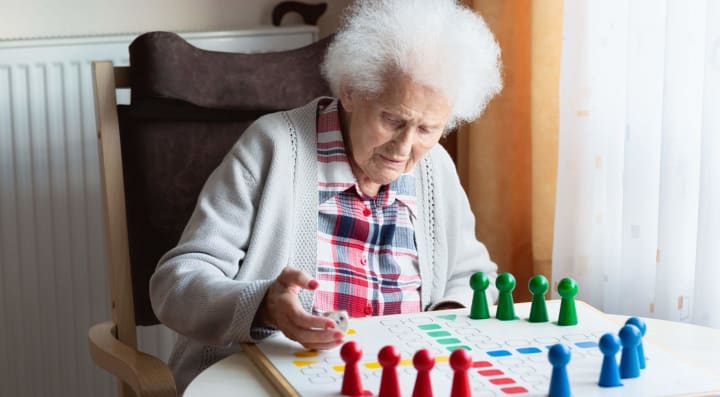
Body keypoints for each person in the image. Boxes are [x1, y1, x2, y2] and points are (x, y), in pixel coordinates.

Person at [150, 0, 503, 392]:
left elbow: (473, 279)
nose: (405, 147)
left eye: (427, 129)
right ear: (351, 91)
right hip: (261, 380)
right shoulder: (272, 148)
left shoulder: (434, 167)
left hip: (395, 381)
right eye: (393, 120)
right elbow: (176, 285)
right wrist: (264, 304)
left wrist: (447, 319)